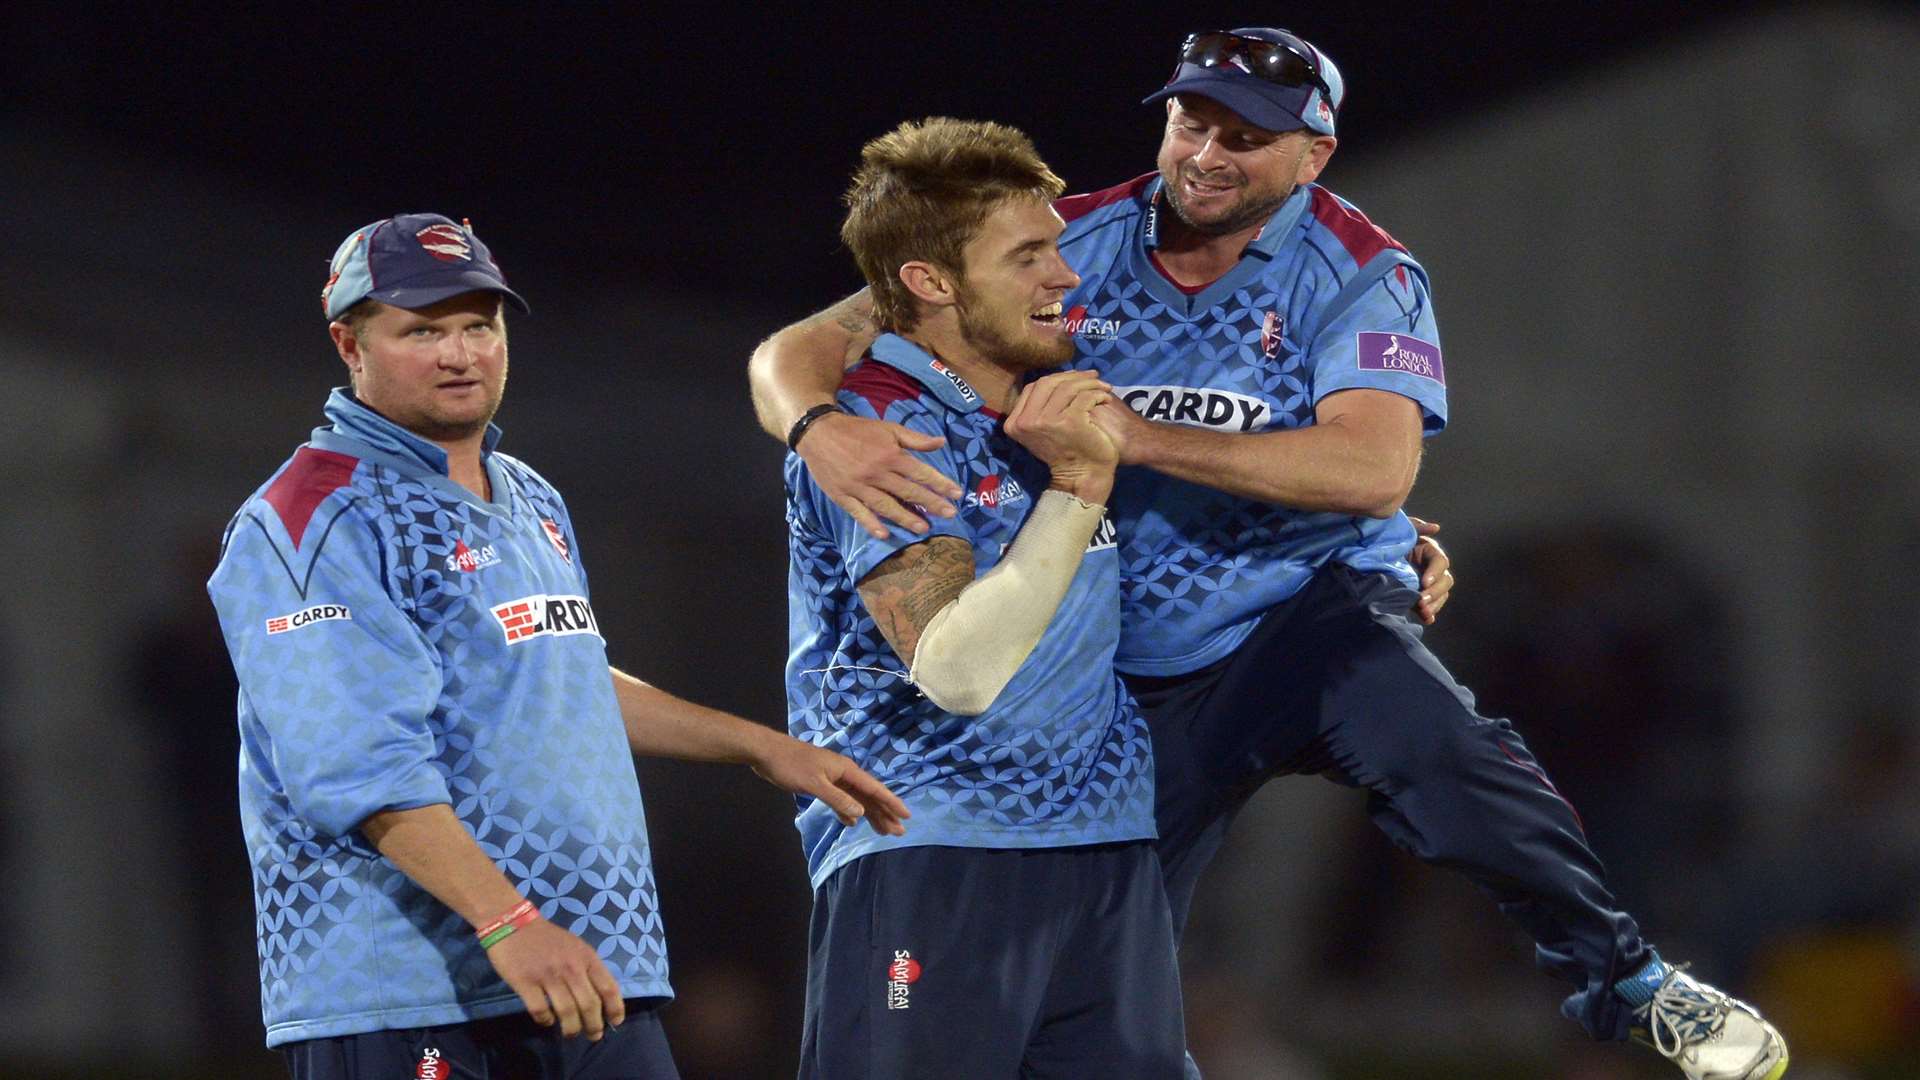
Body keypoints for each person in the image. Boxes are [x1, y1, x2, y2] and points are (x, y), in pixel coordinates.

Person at [748, 28, 1789, 1080]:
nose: (1206, 153)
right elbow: (803, 344)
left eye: (1247, 137)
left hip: (1301, 617)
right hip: (1130, 677)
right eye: (1191, 121)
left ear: (1313, 155)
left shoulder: (1361, 269)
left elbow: (1375, 471)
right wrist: (815, 427)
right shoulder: (1068, 242)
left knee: (1445, 754)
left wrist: (1131, 438)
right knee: (1091, 940)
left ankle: (1629, 982)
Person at [206, 213, 910, 1080]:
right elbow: (357, 768)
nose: (461, 353)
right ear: (348, 344)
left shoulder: (527, 491)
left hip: (587, 967)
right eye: (422, 331)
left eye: (479, 325)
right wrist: (507, 923)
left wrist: (759, 746)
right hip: (412, 990)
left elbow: (556, 677)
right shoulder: (311, 517)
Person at [784, 118, 1184, 1078]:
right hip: (933, 851)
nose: (1066, 277)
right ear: (931, 282)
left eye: (1056, 247)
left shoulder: (1045, 400)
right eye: (1029, 256)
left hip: (1107, 852)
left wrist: (1386, 549)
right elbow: (957, 672)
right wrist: (1079, 489)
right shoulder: (884, 425)